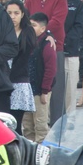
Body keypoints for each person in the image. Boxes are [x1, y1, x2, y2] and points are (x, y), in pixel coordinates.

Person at [22, 0, 66, 123]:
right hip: (32, 49)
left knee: (56, 87)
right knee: (34, 87)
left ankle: (57, 125)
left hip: (54, 47)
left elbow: (58, 20)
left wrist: (47, 33)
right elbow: (25, 19)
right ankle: (36, 125)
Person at [4, 0, 36, 130]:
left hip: (19, 81)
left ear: (22, 14)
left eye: (16, 13)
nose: (12, 16)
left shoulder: (28, 32)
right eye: (9, 13)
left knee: (16, 124)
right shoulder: (2, 30)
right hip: (3, 81)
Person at [55, 0, 83, 112]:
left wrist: (63, 41)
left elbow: (79, 27)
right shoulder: (48, 2)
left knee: (70, 89)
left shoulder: (76, 3)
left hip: (70, 52)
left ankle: (70, 118)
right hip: (51, 52)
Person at [26, 12, 57, 143]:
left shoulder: (47, 44)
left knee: (41, 125)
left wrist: (45, 91)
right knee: (27, 125)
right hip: (26, 90)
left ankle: (41, 154)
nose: (30, 28)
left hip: (40, 91)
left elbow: (51, 70)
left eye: (33, 25)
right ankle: (29, 152)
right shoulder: (27, 41)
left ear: (43, 28)